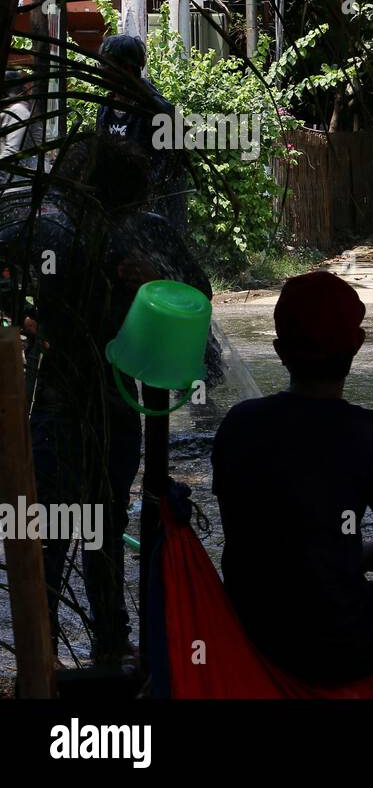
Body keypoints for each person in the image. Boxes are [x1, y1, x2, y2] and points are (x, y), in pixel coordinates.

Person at [0, 136, 210, 664]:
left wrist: (155, 279)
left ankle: (108, 642)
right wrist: (25, 316)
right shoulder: (50, 230)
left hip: (116, 398)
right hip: (60, 395)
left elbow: (197, 292)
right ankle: (47, 651)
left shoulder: (144, 234)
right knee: (57, 527)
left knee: (104, 523)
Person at [212, 271, 373, 684]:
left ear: (280, 351)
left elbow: (249, 539)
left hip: (251, 626)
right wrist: (341, 557)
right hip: (337, 641)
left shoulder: (239, 423)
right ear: (358, 344)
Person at [94, 34, 186, 232]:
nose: (100, 72)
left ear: (126, 68)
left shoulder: (157, 111)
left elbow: (168, 168)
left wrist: (136, 195)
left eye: (105, 66)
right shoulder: (105, 109)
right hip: (117, 213)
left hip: (154, 217)